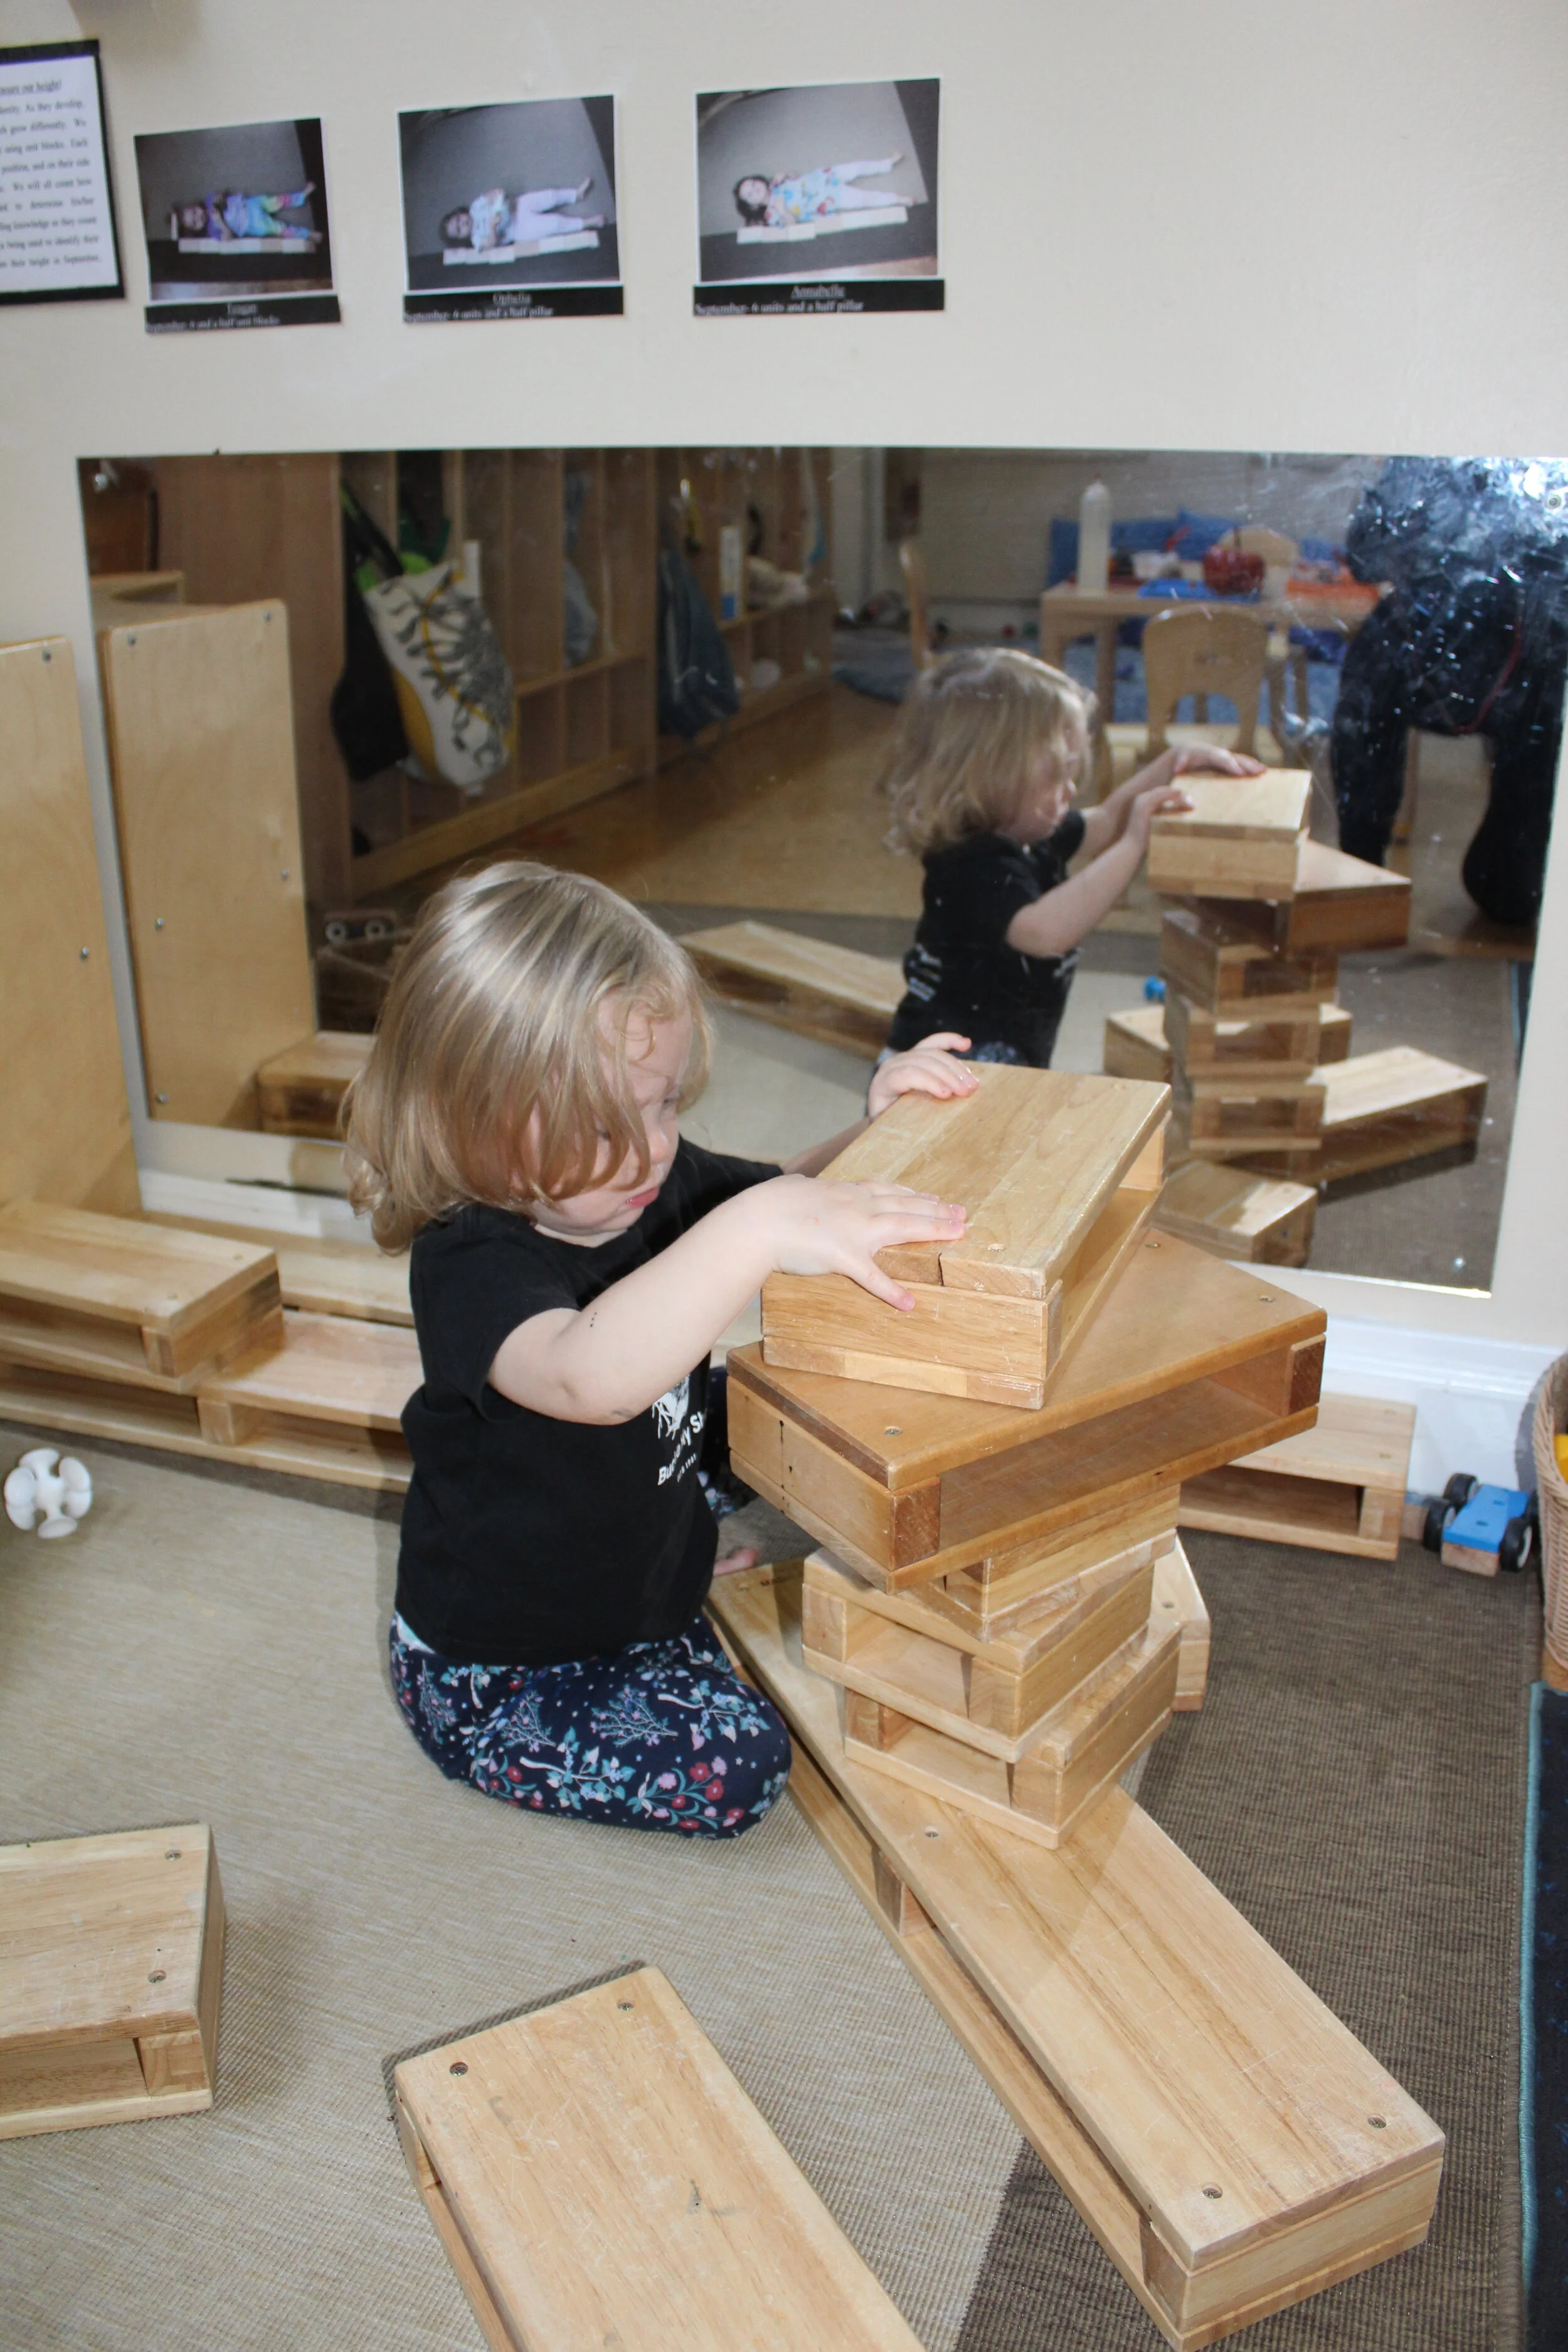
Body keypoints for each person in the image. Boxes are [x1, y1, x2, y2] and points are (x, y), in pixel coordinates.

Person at [344, 862, 975, 1838]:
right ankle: (548, 1688)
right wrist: (756, 1228)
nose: (652, 1148)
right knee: (743, 1764)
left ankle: (662, 1570)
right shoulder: (468, 1257)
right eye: (606, 1121)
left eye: (667, 1102)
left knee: (792, 1394)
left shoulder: (643, 1176)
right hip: (501, 1666)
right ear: (469, 1116)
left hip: (626, 1527)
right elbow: (590, 1378)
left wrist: (879, 1126)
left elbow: (789, 1189)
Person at [882, 647, 1263, 1067]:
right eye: (1055, 774)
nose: (1071, 789)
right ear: (992, 774)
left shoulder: (1026, 833)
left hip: (997, 1063)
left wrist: (1174, 763)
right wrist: (1134, 844)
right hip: (938, 1073)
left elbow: (1106, 822)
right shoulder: (969, 864)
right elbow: (1045, 933)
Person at [1330, 455, 1568, 928]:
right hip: (1418, 646)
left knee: (1508, 894)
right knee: (1368, 685)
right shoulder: (1421, 463)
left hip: (1528, 662)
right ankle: (1359, 870)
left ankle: (1506, 873)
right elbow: (1363, 556)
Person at [733, 154, 909, 229]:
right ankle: (896, 199)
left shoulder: (774, 184)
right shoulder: (771, 215)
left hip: (824, 177)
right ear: (752, 206)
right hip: (827, 200)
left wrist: (784, 174)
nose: (754, 189)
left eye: (753, 184)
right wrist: (783, 210)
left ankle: (887, 163)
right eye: (749, 194)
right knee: (862, 199)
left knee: (856, 167)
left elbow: (796, 176)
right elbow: (792, 225)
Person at [440, 178, 607, 248]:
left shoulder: (475, 208)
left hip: (517, 206)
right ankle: (587, 223)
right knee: (554, 224)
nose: (463, 223)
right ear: (462, 239)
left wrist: (498, 195)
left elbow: (491, 195)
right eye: (459, 229)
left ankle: (575, 194)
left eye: (459, 219)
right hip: (519, 229)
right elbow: (491, 243)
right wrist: (491, 228)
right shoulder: (477, 240)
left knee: (549, 196)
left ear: (460, 213)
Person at [176, 183, 317, 240]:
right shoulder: (212, 231)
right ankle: (308, 234)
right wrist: (220, 222)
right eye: (195, 223)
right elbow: (228, 237)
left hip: (250, 204)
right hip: (252, 224)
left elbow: (223, 194)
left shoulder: (209, 200)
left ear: (196, 206)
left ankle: (301, 196)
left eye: (195, 213)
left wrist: (219, 199)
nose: (198, 217)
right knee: (280, 229)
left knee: (278, 200)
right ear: (197, 230)